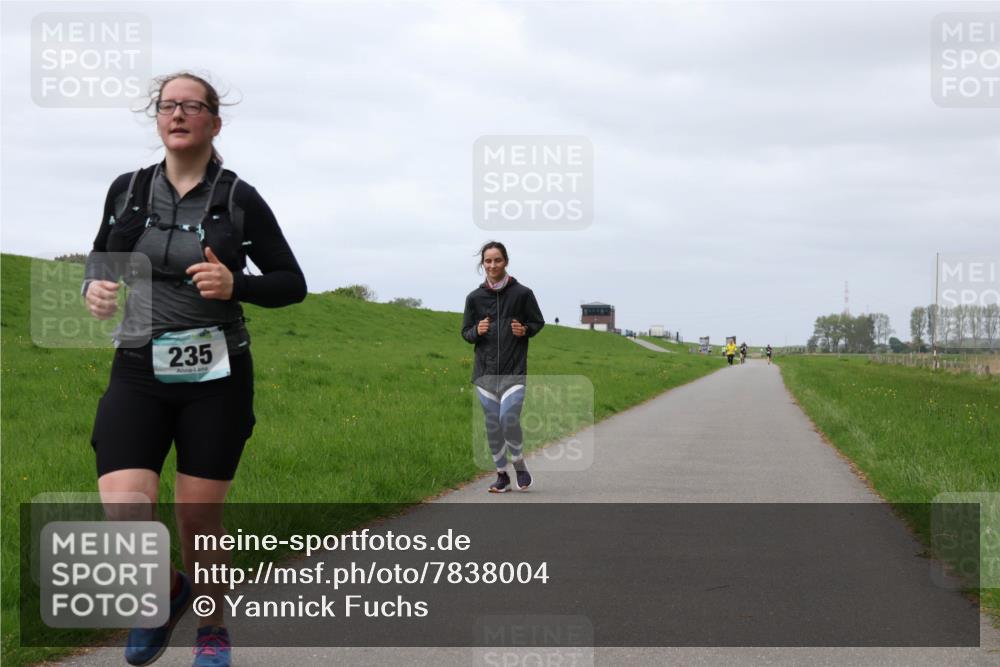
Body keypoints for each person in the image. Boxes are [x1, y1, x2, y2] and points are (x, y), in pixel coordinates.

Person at [83, 72, 306, 667]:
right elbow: (101, 259)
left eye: (191, 106)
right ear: (158, 119)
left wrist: (238, 284)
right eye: (167, 105)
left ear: (214, 121)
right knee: (125, 506)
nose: (177, 114)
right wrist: (95, 290)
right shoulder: (127, 189)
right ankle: (166, 593)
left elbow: (291, 283)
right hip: (137, 367)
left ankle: (212, 628)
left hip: (216, 374)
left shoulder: (237, 198)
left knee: (197, 517)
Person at [461, 242, 544, 493]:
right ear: (482, 264)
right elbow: (465, 332)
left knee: (507, 418)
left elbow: (537, 321)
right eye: (488, 261)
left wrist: (525, 330)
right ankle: (501, 475)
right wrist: (477, 330)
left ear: (505, 261)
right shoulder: (474, 298)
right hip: (485, 372)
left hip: (513, 370)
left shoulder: (522, 294)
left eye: (497, 260)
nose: (492, 265)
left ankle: (518, 463)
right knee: (493, 425)